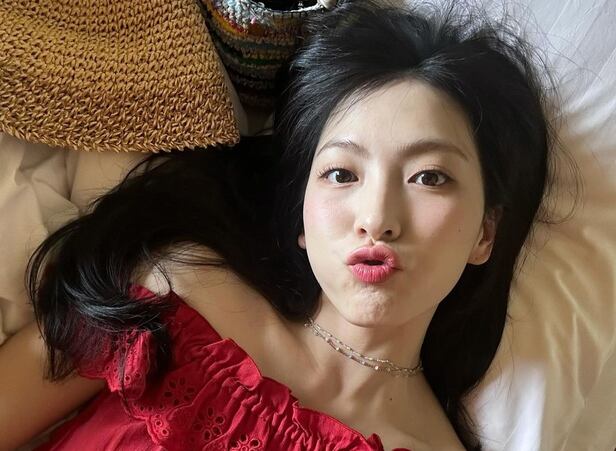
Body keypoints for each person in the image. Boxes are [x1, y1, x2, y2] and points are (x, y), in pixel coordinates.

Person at [0, 0, 572, 449]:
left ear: (485, 234)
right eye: (341, 174)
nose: (376, 219)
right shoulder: (172, 291)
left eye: (429, 177)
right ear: (302, 214)